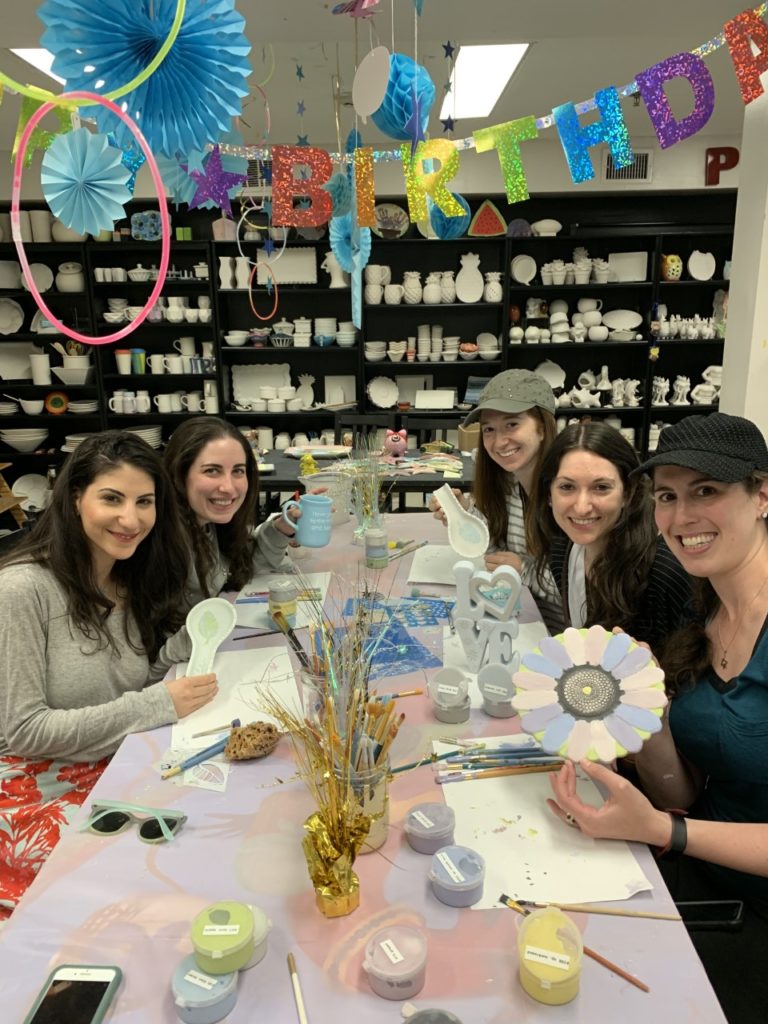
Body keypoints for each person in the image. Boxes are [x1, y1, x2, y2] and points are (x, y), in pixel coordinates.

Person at [547, 413, 768, 1023]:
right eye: (668, 495)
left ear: (763, 493)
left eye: (707, 491)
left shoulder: (683, 586)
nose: (681, 516)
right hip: (699, 873)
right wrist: (642, 717)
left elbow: (678, 818)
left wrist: (667, 831)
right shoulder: (706, 609)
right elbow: (686, 788)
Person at [0, 432, 218, 918]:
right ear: (75, 498)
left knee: (210, 837)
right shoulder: (21, 590)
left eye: (145, 502)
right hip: (34, 788)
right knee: (143, 889)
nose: (131, 518)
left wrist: (184, 647)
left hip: (111, 764)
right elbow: (25, 731)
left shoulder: (125, 578)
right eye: (112, 499)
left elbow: (127, 687)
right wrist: (159, 703)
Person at [527, 420, 692, 652]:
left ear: (628, 492)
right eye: (567, 487)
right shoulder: (562, 549)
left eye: (601, 487)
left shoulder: (666, 571)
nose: (582, 507)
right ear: (549, 494)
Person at [430, 369, 563, 632]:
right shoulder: (510, 481)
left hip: (559, 635)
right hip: (518, 618)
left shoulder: (566, 492)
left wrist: (523, 569)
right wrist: (465, 514)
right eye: (489, 429)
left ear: (542, 427)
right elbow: (497, 546)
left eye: (512, 424)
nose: (499, 441)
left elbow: (581, 591)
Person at [164, 417, 300, 606]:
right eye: (212, 471)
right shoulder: (163, 544)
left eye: (238, 471)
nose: (228, 487)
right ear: (179, 474)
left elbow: (243, 567)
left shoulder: (209, 524)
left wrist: (282, 528)